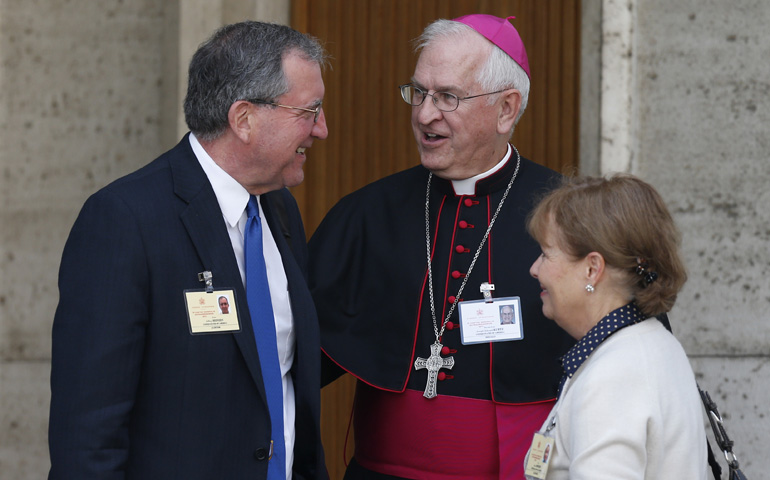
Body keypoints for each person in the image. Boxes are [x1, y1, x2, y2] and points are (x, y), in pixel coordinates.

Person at [49, 21, 330, 479]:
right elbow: (88, 433)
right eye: (310, 111)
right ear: (244, 119)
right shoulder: (125, 221)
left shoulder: (280, 210)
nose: (322, 129)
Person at [308, 14, 573, 479]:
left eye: (447, 97)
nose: (424, 114)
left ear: (507, 109)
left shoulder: (573, 219)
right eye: (419, 92)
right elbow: (295, 360)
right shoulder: (366, 215)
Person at [524, 174, 707, 479]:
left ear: (592, 268)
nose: (534, 269)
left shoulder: (614, 375)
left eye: (546, 253)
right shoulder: (647, 344)